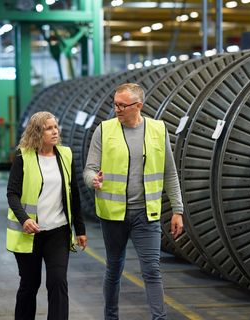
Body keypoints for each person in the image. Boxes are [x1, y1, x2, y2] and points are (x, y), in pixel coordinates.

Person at [83, 83, 184, 320]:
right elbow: (89, 168)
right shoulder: (104, 130)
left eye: (122, 105)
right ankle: (111, 316)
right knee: (114, 268)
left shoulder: (158, 130)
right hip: (113, 214)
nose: (116, 109)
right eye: (115, 104)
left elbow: (170, 172)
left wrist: (178, 209)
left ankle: (160, 318)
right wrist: (93, 180)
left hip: (146, 214)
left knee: (152, 270)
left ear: (138, 106)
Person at [6, 111, 87, 320]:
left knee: (58, 282)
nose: (55, 131)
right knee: (30, 285)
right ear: (37, 132)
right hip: (30, 234)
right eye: (49, 128)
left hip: (58, 232)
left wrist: (80, 230)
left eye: (56, 127)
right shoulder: (23, 158)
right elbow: (12, 194)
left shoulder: (65, 155)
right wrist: (25, 219)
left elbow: (74, 193)